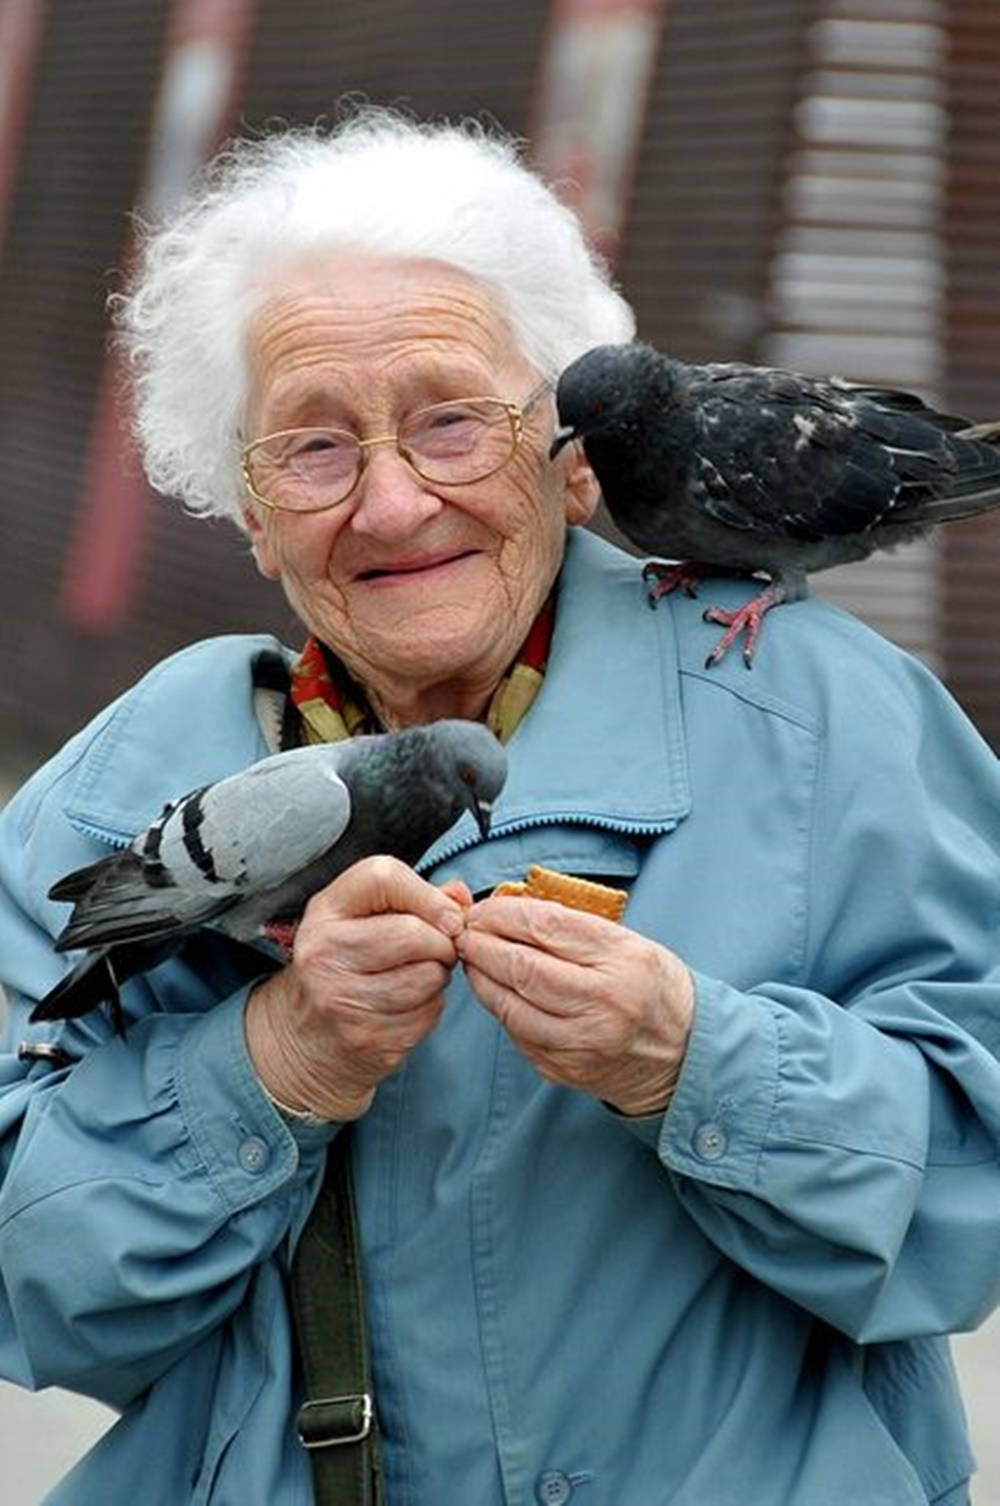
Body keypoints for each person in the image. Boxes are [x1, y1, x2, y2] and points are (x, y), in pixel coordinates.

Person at [1, 109, 999, 1506]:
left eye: (452, 421)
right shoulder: (127, 783)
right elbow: (36, 1293)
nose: (397, 504)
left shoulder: (829, 722)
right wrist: (274, 1064)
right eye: (315, 447)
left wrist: (694, 1061)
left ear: (559, 440)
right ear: (244, 505)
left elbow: (975, 1200)